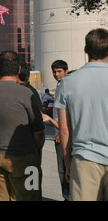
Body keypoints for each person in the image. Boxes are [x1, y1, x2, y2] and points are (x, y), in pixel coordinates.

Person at [0, 51, 44, 201]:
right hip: (24, 157)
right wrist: (33, 148)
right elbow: (39, 130)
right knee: (30, 196)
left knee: (0, 197)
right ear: (19, 69)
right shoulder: (26, 93)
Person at [55, 28, 108, 201]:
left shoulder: (67, 82)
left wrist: (67, 161)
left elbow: (64, 129)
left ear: (85, 50)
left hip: (85, 158)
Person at [50, 59, 70, 201]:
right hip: (59, 133)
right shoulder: (58, 86)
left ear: (66, 71)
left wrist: (61, 132)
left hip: (64, 135)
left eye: (59, 71)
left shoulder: (67, 86)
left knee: (65, 170)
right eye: (54, 71)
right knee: (62, 171)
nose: (56, 74)